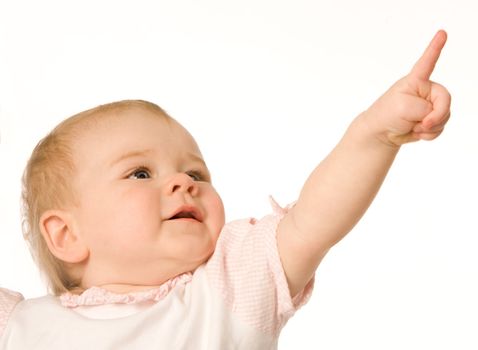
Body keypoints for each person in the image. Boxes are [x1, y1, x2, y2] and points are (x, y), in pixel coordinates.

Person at [0, 30, 451, 349]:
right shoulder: (17, 326)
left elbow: (313, 222)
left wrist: (373, 135)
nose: (182, 183)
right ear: (66, 235)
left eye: (197, 175)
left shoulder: (228, 290)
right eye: (140, 173)